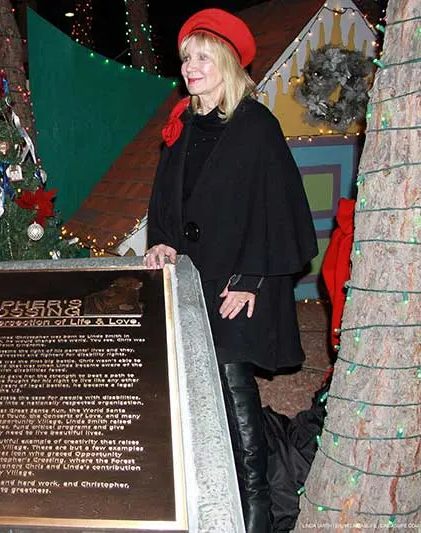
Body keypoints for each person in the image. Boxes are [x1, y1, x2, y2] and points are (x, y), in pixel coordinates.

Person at [143, 9, 318, 533]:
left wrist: (250, 279)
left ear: (226, 61)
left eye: (202, 57)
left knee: (230, 382)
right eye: (185, 58)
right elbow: (168, 200)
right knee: (199, 385)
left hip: (241, 280)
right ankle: (217, 489)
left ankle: (255, 506)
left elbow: (282, 210)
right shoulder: (184, 124)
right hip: (196, 278)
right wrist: (162, 241)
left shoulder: (256, 125)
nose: (190, 68)